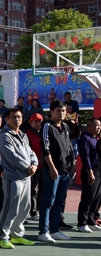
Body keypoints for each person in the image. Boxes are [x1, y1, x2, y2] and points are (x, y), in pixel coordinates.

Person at [0, 108, 39, 249]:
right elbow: (11, 156)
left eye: (19, 117)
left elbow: (31, 152)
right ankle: (2, 237)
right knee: (10, 208)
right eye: (13, 117)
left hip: (26, 177)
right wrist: (27, 167)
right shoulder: (5, 136)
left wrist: (34, 164)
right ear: (7, 119)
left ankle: (17, 235)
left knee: (24, 208)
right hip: (13, 178)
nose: (17, 119)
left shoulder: (23, 135)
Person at [38, 101, 75, 243]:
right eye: (59, 110)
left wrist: (72, 164)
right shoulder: (47, 126)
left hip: (65, 170)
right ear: (52, 111)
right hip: (53, 170)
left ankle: (55, 230)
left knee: (59, 201)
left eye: (64, 110)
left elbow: (69, 147)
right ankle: (43, 231)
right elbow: (45, 147)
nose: (62, 113)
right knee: (48, 200)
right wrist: (52, 167)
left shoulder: (65, 126)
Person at [76, 119, 101, 232]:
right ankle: (82, 223)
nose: (98, 128)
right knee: (88, 197)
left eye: (100, 126)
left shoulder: (97, 139)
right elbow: (85, 156)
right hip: (90, 170)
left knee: (97, 197)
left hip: (99, 170)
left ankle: (91, 221)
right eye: (96, 125)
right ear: (89, 126)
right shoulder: (85, 138)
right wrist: (90, 172)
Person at [25, 113, 44, 219]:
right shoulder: (27, 135)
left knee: (43, 189)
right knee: (33, 189)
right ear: (30, 122)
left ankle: (40, 209)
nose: (38, 124)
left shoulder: (44, 133)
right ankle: (33, 211)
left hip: (44, 166)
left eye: (40, 121)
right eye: (36, 121)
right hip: (33, 166)